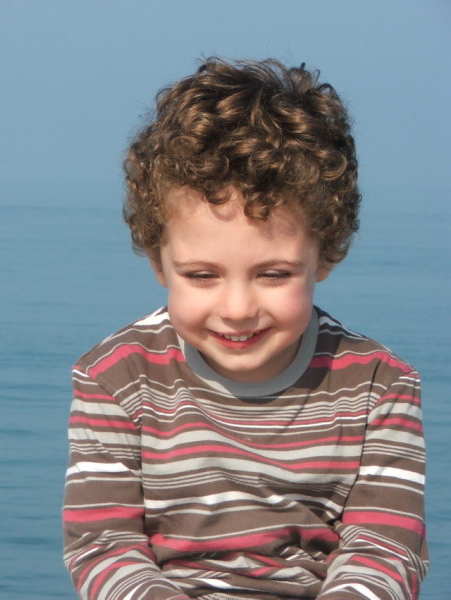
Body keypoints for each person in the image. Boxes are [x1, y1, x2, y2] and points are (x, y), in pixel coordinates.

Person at [62, 58, 428, 600]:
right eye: (202, 276)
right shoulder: (116, 377)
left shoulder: (379, 385)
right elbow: (104, 546)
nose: (236, 309)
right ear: (159, 261)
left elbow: (385, 550)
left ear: (325, 254)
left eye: (273, 275)